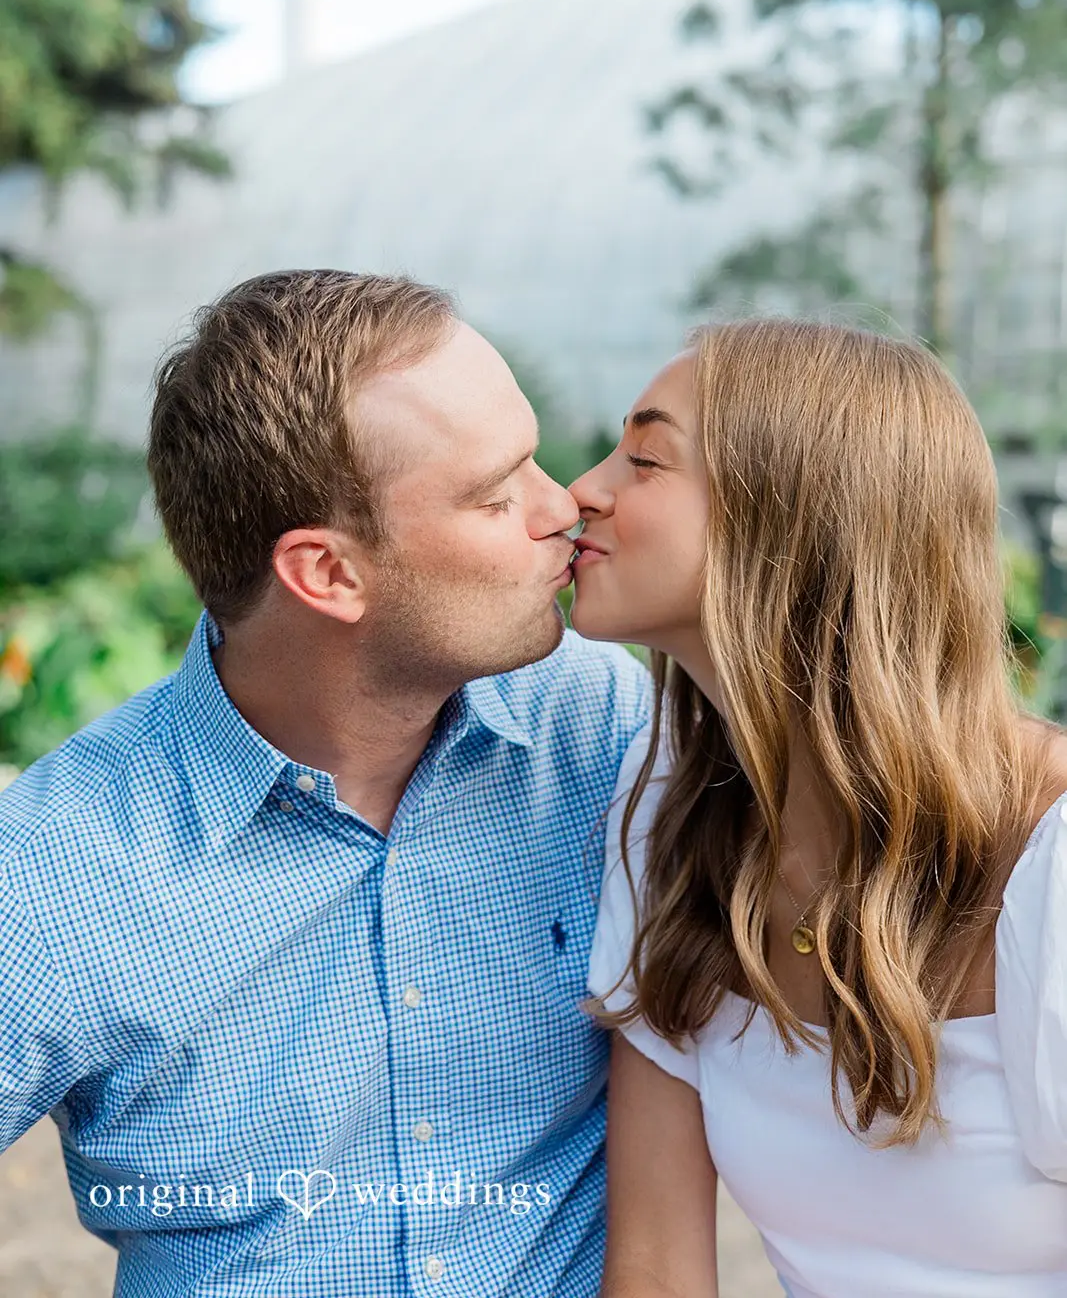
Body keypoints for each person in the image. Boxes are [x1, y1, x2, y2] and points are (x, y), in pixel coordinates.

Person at [0, 269, 650, 1298]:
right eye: (495, 492)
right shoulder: (54, 868)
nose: (560, 505)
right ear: (327, 573)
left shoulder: (606, 730)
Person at [570, 318, 1067, 1298]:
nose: (581, 491)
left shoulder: (1047, 857)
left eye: (642, 458)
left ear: (789, 521)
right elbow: (655, 1272)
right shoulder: (669, 802)